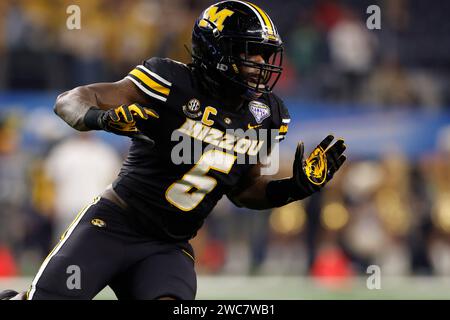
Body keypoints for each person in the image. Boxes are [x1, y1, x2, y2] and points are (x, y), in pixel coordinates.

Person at [1, 0, 346, 300]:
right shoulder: (169, 81)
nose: (261, 62)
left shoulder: (269, 115)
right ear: (218, 52)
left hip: (168, 247)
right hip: (112, 225)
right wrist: (101, 119)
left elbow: (245, 191)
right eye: (249, 52)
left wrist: (294, 188)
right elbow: (70, 100)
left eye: (265, 54)